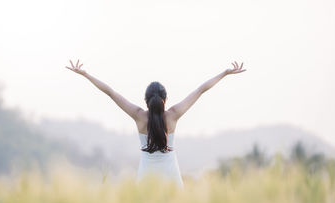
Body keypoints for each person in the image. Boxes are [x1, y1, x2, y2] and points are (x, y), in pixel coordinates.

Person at [66, 60, 246, 188]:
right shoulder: (173, 115)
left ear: (145, 100)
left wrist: (85, 74)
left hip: (146, 178)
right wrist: (225, 73)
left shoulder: (138, 116)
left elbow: (111, 93)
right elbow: (201, 90)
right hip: (172, 178)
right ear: (165, 99)